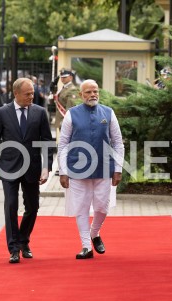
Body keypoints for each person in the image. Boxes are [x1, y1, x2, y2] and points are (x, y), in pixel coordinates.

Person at [0, 77, 54, 264]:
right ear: (16, 94)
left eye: (32, 93)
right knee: (11, 206)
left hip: (32, 167)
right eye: (27, 94)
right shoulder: (2, 112)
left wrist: (46, 167)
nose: (31, 96)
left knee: (33, 207)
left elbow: (47, 143)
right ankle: (14, 248)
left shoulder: (40, 113)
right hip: (9, 167)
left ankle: (24, 240)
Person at [58, 79, 124, 259]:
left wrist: (118, 168)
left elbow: (118, 142)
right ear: (81, 95)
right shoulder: (71, 114)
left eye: (95, 91)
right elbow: (63, 144)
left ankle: (95, 233)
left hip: (104, 168)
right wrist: (63, 171)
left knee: (102, 207)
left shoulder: (108, 113)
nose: (93, 95)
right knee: (81, 207)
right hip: (77, 169)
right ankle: (86, 246)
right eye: (88, 92)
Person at [54, 68, 80, 175]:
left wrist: (65, 122)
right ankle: (63, 166)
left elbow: (69, 109)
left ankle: (67, 166)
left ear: (71, 77)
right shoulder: (63, 88)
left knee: (67, 144)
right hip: (61, 121)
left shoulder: (72, 89)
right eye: (62, 77)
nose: (62, 79)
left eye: (65, 77)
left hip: (66, 121)